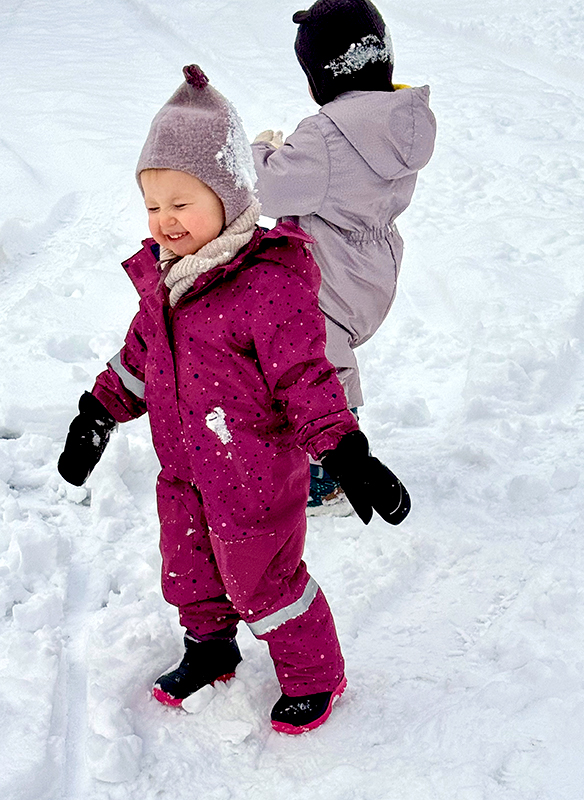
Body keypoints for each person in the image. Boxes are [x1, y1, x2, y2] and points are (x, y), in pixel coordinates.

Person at [57, 65, 410, 734]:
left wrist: (346, 451)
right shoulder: (165, 286)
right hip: (185, 472)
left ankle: (315, 674)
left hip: (252, 482)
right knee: (189, 571)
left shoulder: (267, 287)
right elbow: (139, 360)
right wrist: (97, 411)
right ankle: (210, 647)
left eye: (181, 204)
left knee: (264, 583)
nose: (164, 222)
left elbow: (307, 381)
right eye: (153, 205)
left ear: (228, 197)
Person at [252, 0, 436, 511]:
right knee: (328, 352)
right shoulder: (402, 123)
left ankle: (324, 471)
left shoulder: (327, 136)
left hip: (329, 265)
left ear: (323, 74)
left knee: (314, 351)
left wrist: (261, 149)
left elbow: (265, 190)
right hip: (374, 267)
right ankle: (332, 448)